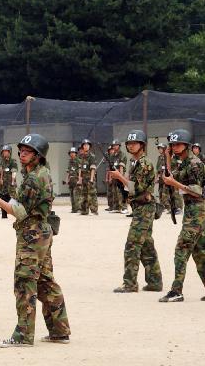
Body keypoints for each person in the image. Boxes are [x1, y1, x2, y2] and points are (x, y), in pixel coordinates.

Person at [0, 134, 71, 347]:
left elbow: (20, 212)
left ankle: (23, 335)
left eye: (28, 151)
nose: (22, 153)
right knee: (45, 282)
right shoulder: (42, 173)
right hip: (41, 232)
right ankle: (59, 330)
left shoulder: (34, 178)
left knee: (25, 284)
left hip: (32, 235)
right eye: (21, 150)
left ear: (38, 156)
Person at [109, 130, 162, 293]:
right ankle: (154, 281)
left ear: (142, 145)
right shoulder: (135, 162)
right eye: (129, 143)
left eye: (134, 143)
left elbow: (137, 188)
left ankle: (130, 283)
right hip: (140, 207)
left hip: (145, 208)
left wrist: (120, 177)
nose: (131, 146)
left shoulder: (144, 163)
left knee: (132, 244)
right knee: (146, 244)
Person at [158, 129, 205, 302]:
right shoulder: (183, 162)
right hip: (192, 210)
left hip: (198, 209)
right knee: (199, 251)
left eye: (178, 144)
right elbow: (170, 176)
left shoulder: (194, 163)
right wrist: (168, 157)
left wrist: (174, 183)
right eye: (172, 145)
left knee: (182, 248)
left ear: (186, 145)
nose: (175, 147)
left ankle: (177, 291)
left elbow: (198, 192)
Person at [0, 144, 18, 219]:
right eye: (4, 151)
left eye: (6, 151)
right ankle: (3, 212)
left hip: (10, 182)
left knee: (12, 197)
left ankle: (16, 210)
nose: (5, 153)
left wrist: (13, 181)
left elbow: (14, 171)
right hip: (2, 183)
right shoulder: (0, 161)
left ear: (10, 152)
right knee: (2, 197)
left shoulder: (13, 161)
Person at [77, 139, 98, 215]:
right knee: (83, 194)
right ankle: (84, 210)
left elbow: (93, 168)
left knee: (92, 194)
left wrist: (92, 179)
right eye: (84, 145)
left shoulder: (92, 156)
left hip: (90, 178)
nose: (86, 146)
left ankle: (94, 211)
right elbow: (80, 169)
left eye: (87, 145)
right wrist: (79, 178)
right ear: (82, 147)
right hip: (83, 179)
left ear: (89, 146)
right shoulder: (81, 157)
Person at [65, 146, 80, 213]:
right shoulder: (69, 161)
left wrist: (80, 179)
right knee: (71, 195)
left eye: (73, 152)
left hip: (76, 178)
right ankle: (73, 208)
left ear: (76, 153)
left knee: (76, 194)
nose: (72, 154)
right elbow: (68, 171)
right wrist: (66, 179)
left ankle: (78, 208)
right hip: (71, 179)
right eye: (71, 153)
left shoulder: (78, 160)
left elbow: (80, 170)